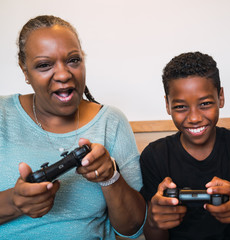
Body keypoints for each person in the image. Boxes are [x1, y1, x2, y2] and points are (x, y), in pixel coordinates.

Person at [0, 15, 146, 239]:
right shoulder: (3, 114)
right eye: (44, 65)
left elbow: (134, 229)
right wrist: (14, 202)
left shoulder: (111, 121)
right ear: (24, 70)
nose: (63, 74)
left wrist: (111, 177)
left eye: (73, 60)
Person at [139, 51, 230, 240]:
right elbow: (155, 235)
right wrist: (153, 219)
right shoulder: (154, 155)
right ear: (167, 104)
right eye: (181, 107)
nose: (194, 118)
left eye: (205, 103)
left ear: (221, 97)